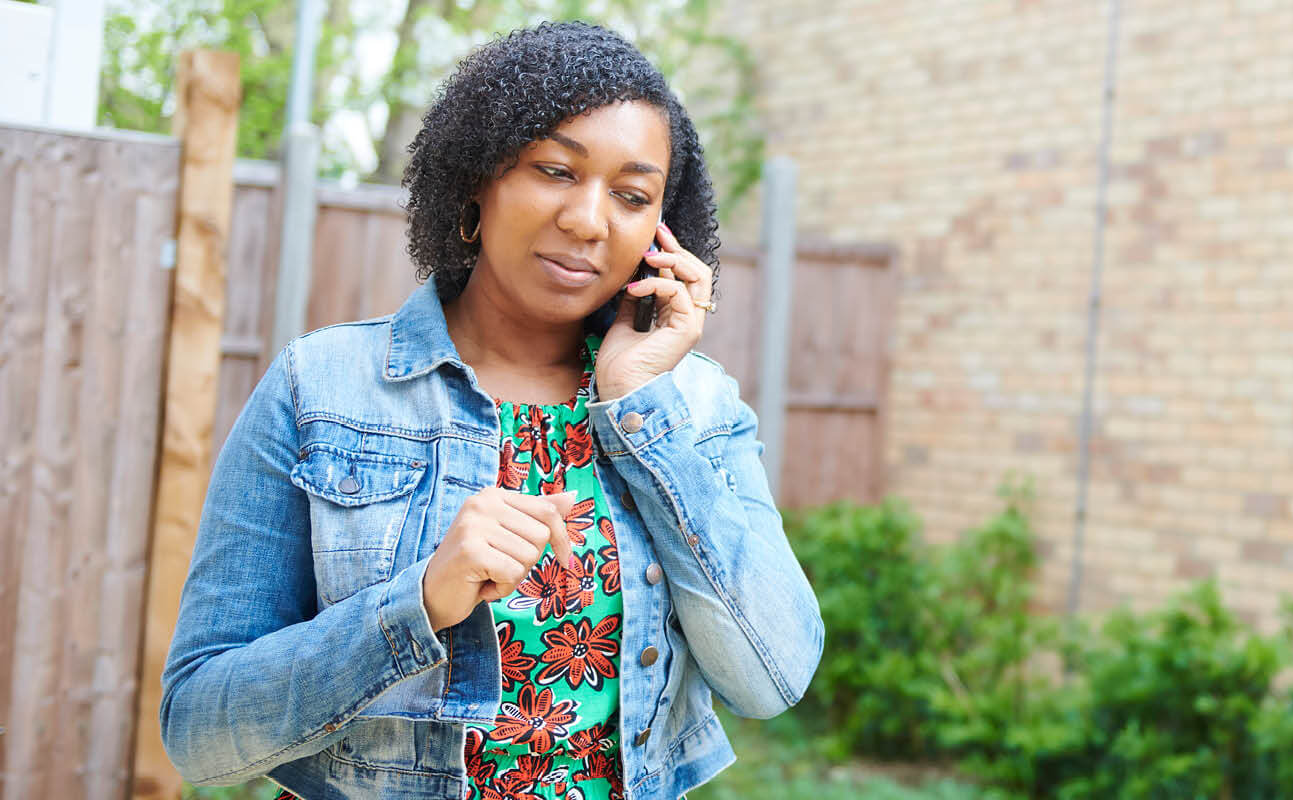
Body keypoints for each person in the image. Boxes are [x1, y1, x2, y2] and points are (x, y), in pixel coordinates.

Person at [159, 21, 823, 800]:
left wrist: (640, 405)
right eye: (553, 170)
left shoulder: (694, 406)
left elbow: (772, 676)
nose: (587, 219)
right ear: (478, 179)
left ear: (660, 232)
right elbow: (197, 729)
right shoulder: (324, 388)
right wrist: (420, 603)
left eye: (632, 195)